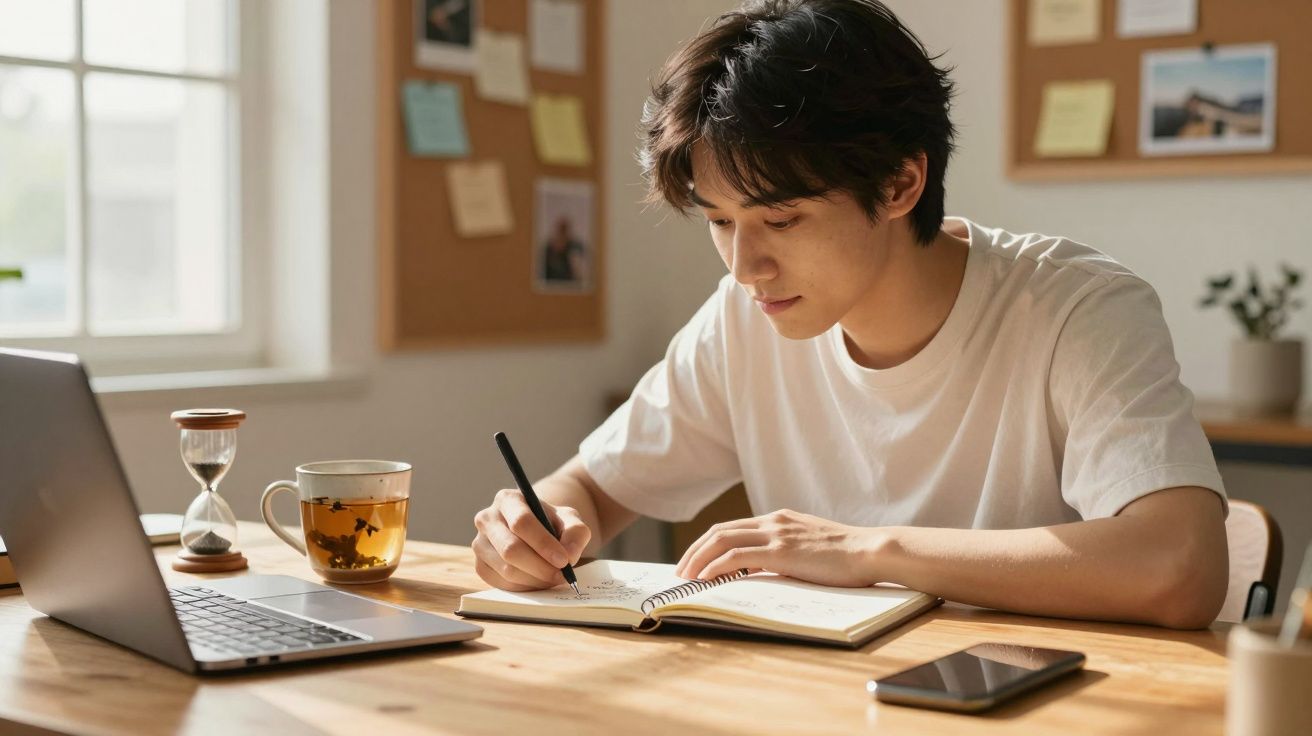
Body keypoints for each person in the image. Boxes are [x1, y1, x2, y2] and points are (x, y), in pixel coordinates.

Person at [471, 0, 1229, 629]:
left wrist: (869, 551)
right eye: (720, 221)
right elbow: (594, 490)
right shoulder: (748, 316)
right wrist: (537, 529)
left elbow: (1180, 566)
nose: (744, 267)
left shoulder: (1078, 309)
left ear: (901, 184)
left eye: (783, 219)